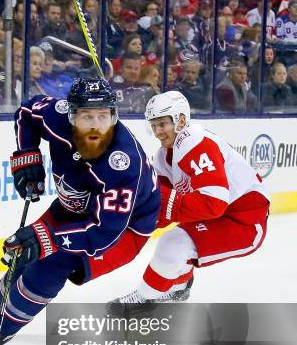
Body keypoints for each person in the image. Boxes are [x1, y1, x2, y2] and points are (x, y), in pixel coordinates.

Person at [0, 78, 161, 345]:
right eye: (87, 116)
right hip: (73, 206)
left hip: (123, 230)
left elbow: (103, 232)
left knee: (51, 262)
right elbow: (26, 114)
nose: (96, 125)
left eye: (103, 116)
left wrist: (46, 239)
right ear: (71, 115)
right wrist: (27, 156)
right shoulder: (57, 116)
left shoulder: (122, 163)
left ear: (114, 116)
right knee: (21, 253)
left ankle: (1, 329)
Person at [111, 91, 270, 307]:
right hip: (222, 213)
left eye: (162, 124)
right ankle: (179, 288)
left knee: (174, 243)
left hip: (244, 221)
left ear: (181, 120)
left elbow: (212, 204)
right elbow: (152, 200)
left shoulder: (197, 144)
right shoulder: (164, 156)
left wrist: (161, 205)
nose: (157, 132)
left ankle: (144, 300)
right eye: (153, 125)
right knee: (177, 239)